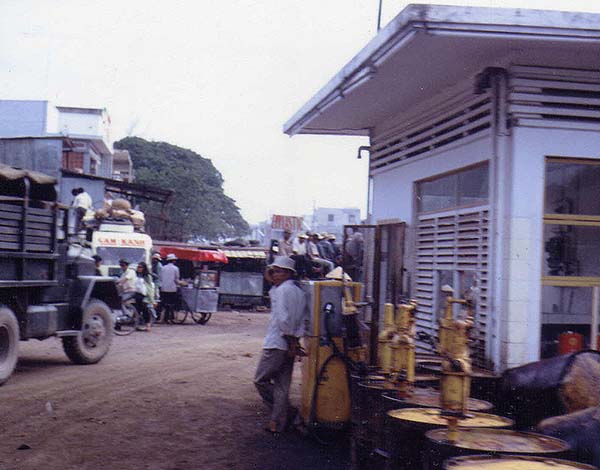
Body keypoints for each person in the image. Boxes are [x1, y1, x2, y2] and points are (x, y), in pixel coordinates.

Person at [254, 256, 307, 435]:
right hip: (290, 342)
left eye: (278, 271)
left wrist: (289, 337)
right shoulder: (298, 291)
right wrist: (294, 341)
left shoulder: (282, 291)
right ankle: (278, 420)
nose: (274, 275)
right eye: (274, 271)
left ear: (288, 273)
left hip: (278, 341)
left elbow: (284, 319)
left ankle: (288, 413)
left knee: (261, 380)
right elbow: (301, 319)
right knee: (282, 384)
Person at [159, 253, 180, 324]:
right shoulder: (175, 269)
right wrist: (181, 283)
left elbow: (160, 278)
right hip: (172, 288)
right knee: (171, 304)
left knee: (164, 303)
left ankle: (163, 317)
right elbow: (176, 280)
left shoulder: (163, 268)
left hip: (163, 288)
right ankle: (168, 318)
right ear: (173, 261)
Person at [134, 261, 155, 331]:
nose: (139, 268)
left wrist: (152, 299)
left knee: (145, 310)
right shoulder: (136, 275)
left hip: (145, 295)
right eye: (138, 267)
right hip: (137, 294)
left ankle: (148, 325)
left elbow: (150, 288)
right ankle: (136, 325)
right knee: (137, 310)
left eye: (140, 267)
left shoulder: (147, 276)